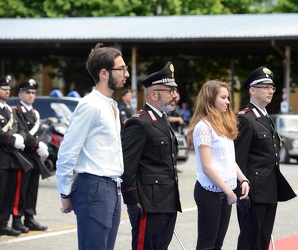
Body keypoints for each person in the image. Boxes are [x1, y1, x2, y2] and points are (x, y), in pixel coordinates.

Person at [56, 43, 128, 249]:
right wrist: (64, 192)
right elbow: (68, 150)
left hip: (112, 187)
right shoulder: (90, 105)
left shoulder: (111, 105)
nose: (126, 73)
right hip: (93, 186)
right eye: (121, 68)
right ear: (104, 73)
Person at [121, 62, 182, 250]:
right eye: (170, 91)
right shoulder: (139, 123)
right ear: (154, 94)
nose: (175, 96)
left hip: (167, 201)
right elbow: (127, 165)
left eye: (174, 91)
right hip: (148, 203)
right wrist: (132, 202)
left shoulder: (163, 120)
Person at [234, 66, 296, 250]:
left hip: (269, 190)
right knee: (249, 241)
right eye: (265, 87)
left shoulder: (266, 117)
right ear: (252, 90)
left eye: (272, 87)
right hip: (253, 191)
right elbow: (238, 159)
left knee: (262, 240)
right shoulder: (246, 119)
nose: (270, 91)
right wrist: (241, 193)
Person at [186, 80, 250, 250]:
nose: (228, 102)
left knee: (217, 245)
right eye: (223, 97)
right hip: (210, 192)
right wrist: (229, 192)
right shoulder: (203, 127)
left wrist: (243, 180)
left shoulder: (223, 124)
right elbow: (207, 167)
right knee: (206, 245)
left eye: (228, 97)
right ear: (210, 99)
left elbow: (229, 159)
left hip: (225, 191)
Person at [12, 79, 51, 233]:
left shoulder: (34, 113)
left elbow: (42, 132)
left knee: (32, 189)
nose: (31, 95)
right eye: (27, 92)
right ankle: (17, 219)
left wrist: (44, 145)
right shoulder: (16, 111)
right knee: (21, 189)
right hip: (24, 155)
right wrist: (36, 144)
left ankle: (29, 217)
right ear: (20, 94)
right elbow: (21, 130)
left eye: (33, 92)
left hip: (35, 156)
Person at [0, 75, 28, 236]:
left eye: (8, 89)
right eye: (3, 88)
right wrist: (12, 139)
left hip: (12, 159)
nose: (6, 91)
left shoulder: (10, 110)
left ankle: (3, 223)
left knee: (8, 194)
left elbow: (21, 128)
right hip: (1, 157)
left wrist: (21, 137)